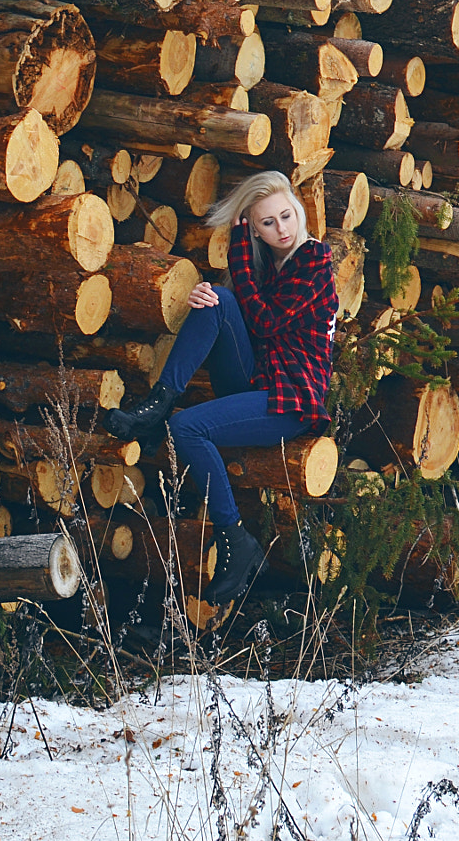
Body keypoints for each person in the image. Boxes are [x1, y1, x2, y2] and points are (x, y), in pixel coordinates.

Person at [105, 171, 337, 605]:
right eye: (267, 223)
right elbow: (244, 318)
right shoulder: (268, 267)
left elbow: (266, 321)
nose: (282, 229)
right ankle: (160, 402)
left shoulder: (315, 260)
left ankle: (236, 540)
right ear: (254, 227)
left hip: (290, 401)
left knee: (188, 429)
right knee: (220, 299)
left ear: (299, 212)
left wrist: (239, 257)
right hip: (258, 380)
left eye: (286, 216)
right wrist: (205, 297)